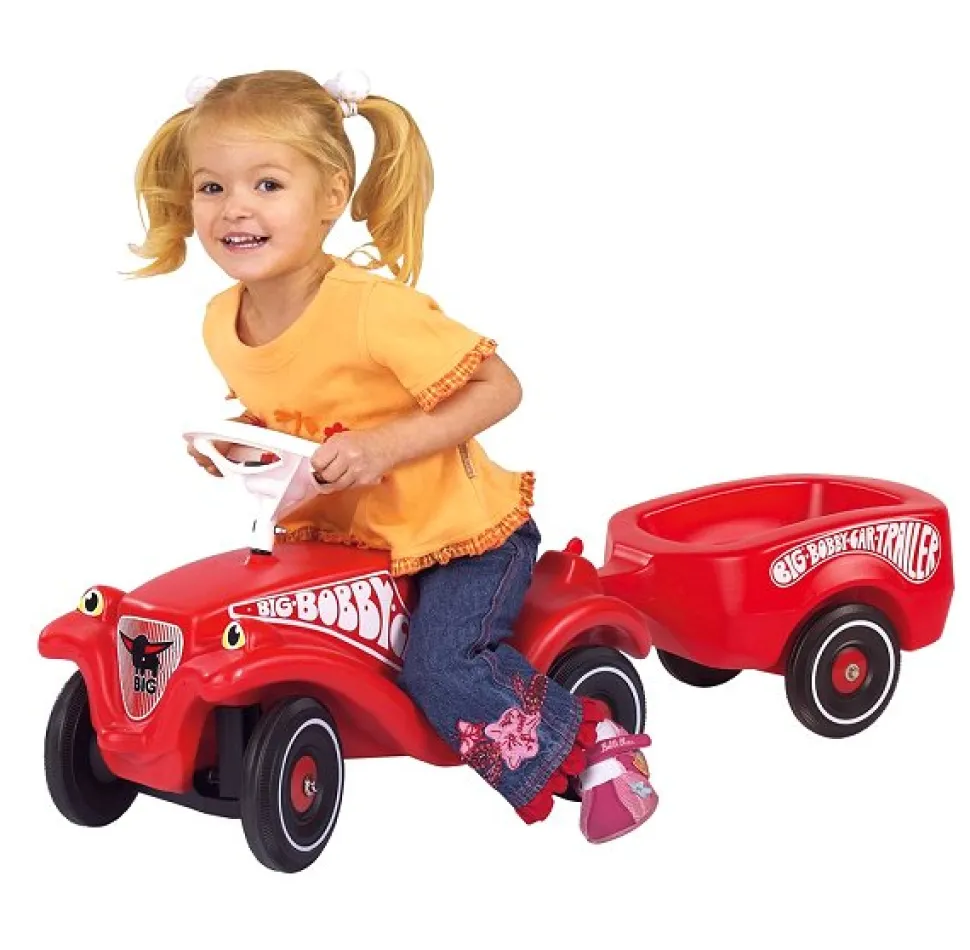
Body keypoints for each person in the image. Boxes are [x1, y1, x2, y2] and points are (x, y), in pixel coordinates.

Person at [127, 68, 658, 842]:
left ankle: (597, 745)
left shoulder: (373, 311)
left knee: (442, 666)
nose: (234, 207)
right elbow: (297, 407)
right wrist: (244, 436)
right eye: (212, 187)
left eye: (267, 184)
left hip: (456, 539)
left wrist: (386, 446)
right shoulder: (221, 320)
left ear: (331, 195)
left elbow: (500, 387)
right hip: (345, 540)